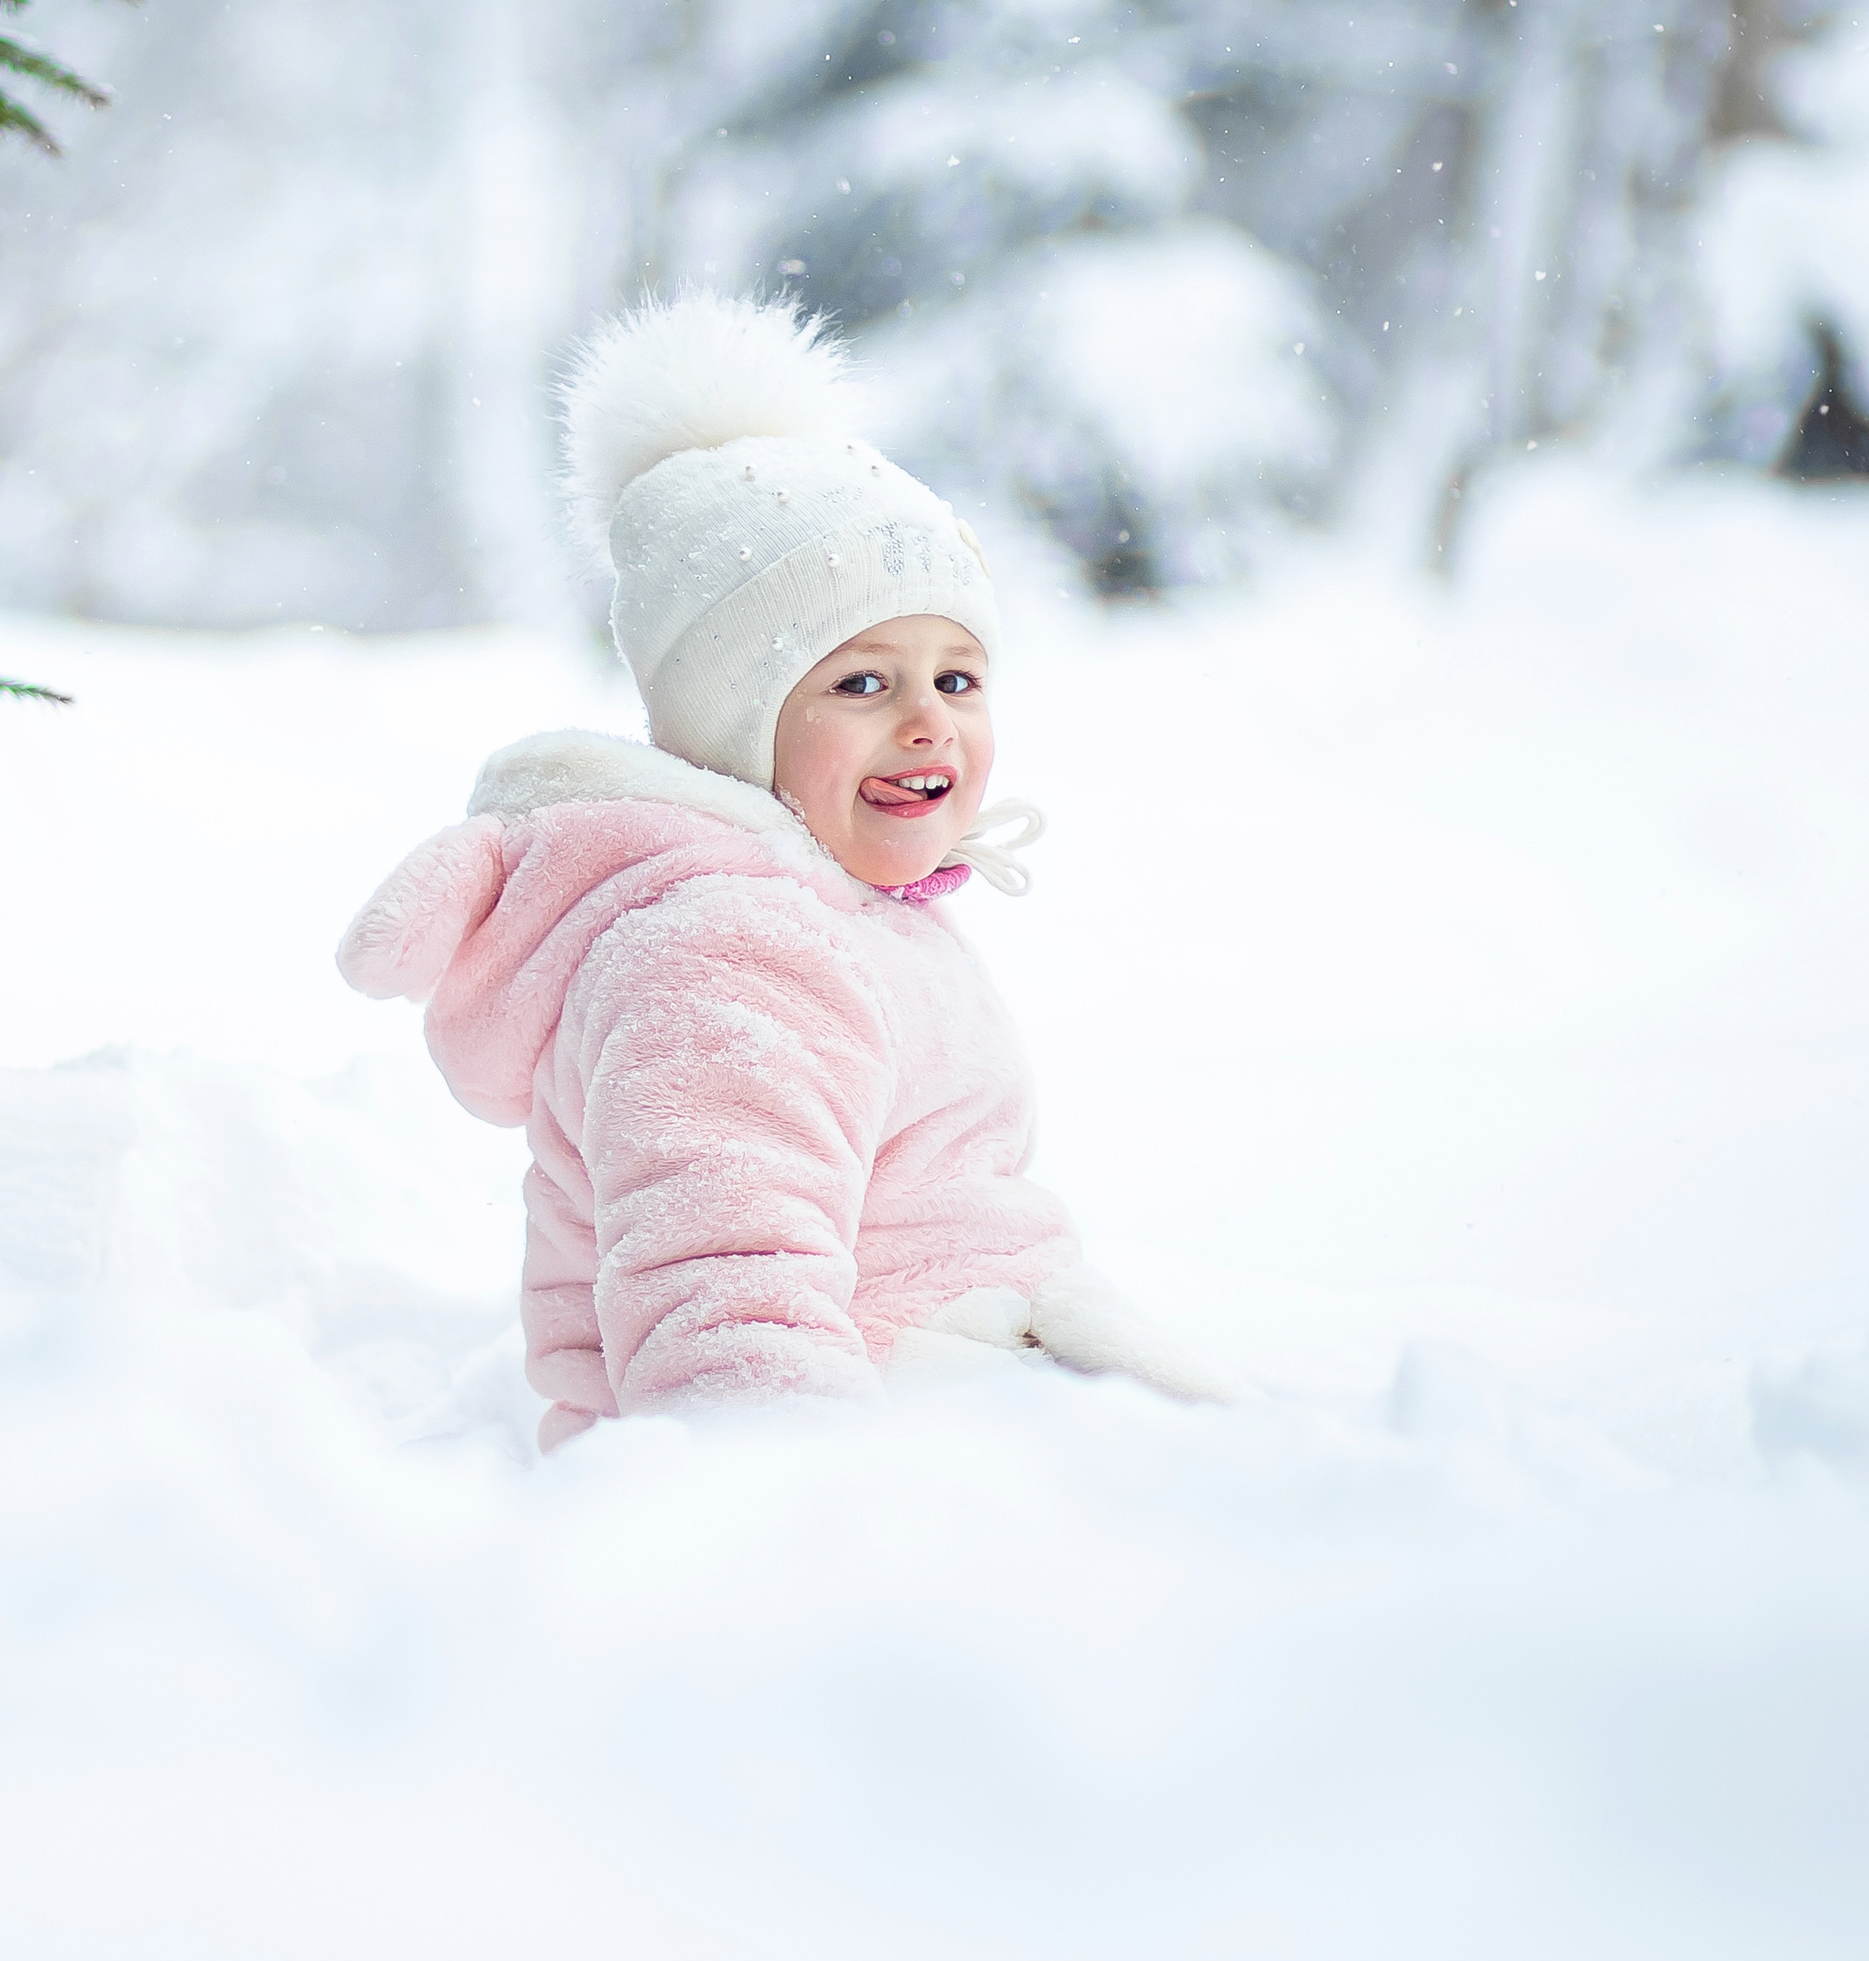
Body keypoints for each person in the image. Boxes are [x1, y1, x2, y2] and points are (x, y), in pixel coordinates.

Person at [339, 290, 1224, 1447]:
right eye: (860, 682)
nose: (928, 722)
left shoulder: (833, 912)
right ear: (733, 722)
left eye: (957, 678)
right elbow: (725, 1295)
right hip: (883, 1457)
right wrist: (809, 1535)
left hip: (955, 1401)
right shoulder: (725, 957)